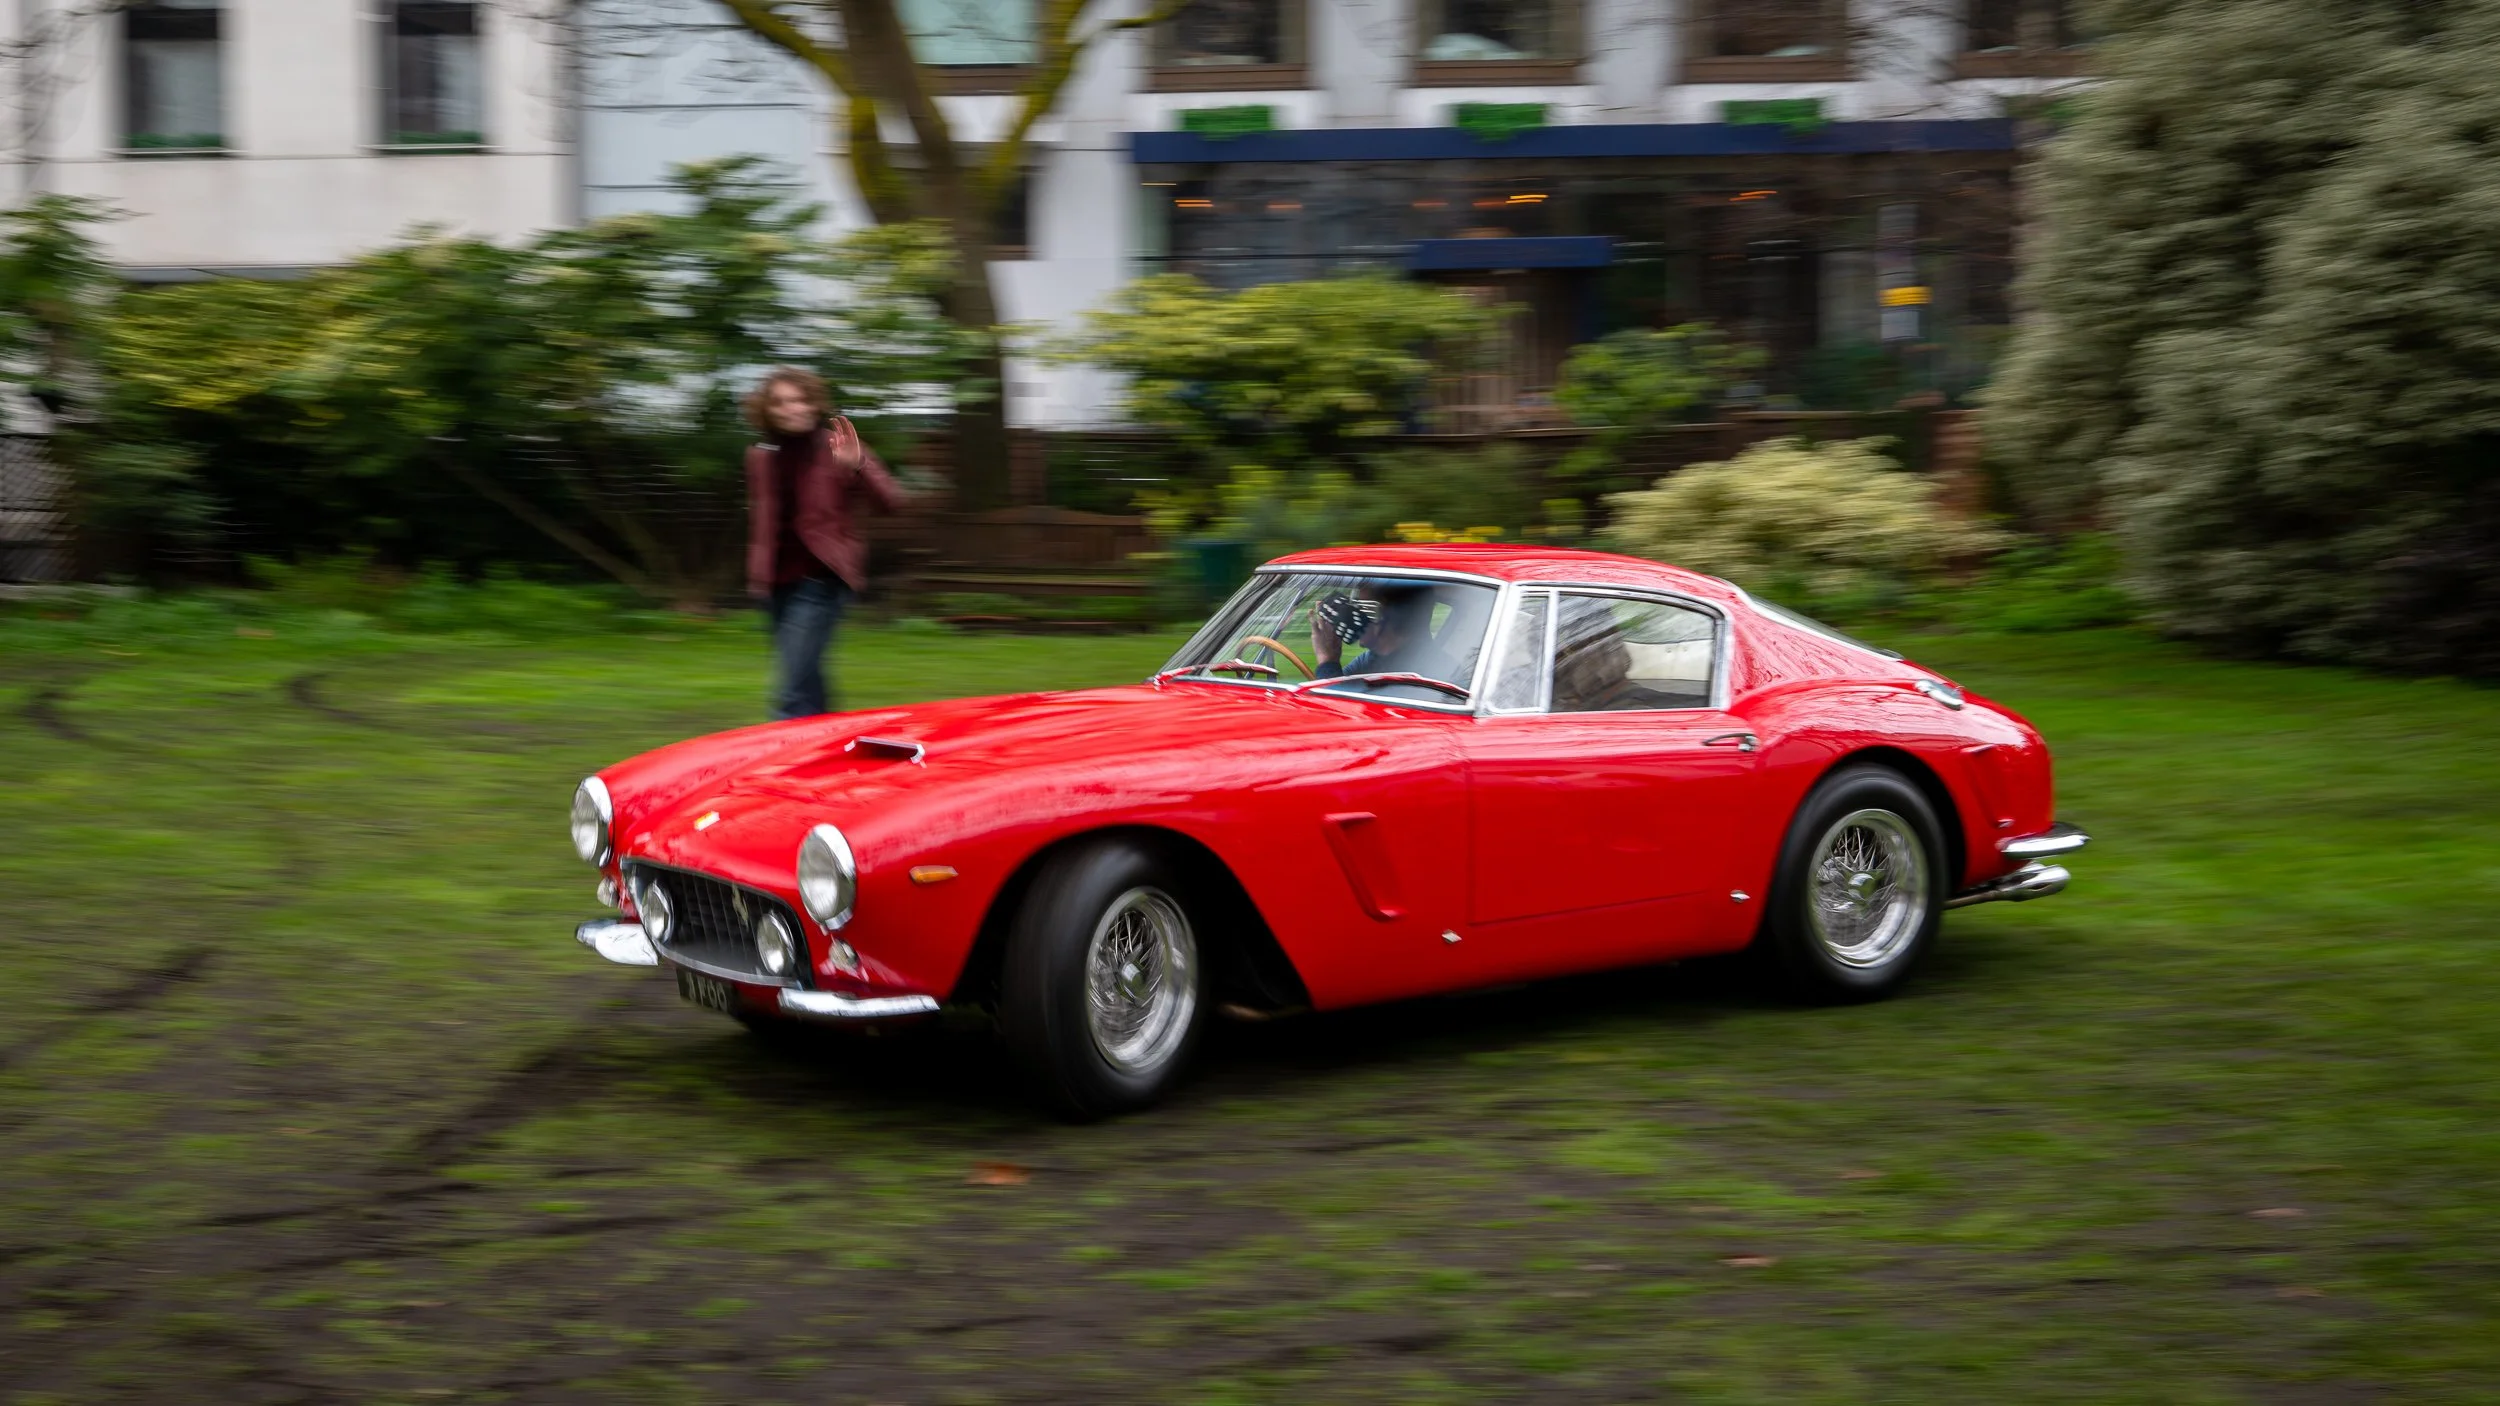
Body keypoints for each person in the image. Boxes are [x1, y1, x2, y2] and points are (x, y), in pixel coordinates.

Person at [743, 368, 906, 719]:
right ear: (768, 409)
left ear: (815, 404)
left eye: (800, 400)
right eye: (781, 402)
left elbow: (892, 502)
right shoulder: (761, 456)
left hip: (821, 580)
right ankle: (826, 747)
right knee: (806, 677)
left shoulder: (839, 447)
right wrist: (758, 575)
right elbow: (765, 522)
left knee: (791, 689)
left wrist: (858, 465)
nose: (792, 408)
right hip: (775, 585)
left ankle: (780, 761)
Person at [1309, 582, 1454, 682]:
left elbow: (1336, 708)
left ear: (1392, 614)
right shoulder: (1370, 659)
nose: (1351, 612)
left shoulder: (1439, 673)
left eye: (1363, 607)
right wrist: (1331, 659)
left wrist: (1327, 662)